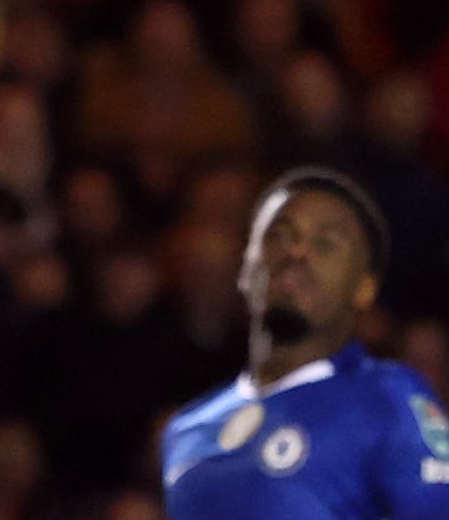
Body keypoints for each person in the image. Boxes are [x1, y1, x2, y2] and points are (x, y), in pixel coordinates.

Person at [161, 168, 449, 519]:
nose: (297, 252)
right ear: (246, 267)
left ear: (364, 288)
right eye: (279, 237)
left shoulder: (389, 400)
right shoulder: (186, 431)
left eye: (326, 244)